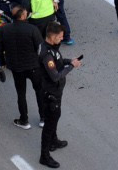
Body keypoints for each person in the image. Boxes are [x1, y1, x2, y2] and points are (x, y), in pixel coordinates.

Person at [36, 22, 79, 168]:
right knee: (50, 123)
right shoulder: (47, 54)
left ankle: (54, 140)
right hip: (50, 93)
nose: (61, 39)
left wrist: (69, 61)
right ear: (52, 36)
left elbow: (58, 61)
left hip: (55, 92)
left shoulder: (51, 48)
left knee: (55, 117)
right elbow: (55, 76)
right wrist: (71, 66)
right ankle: (44, 155)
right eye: (60, 37)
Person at [0, 4, 44, 130]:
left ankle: (24, 120)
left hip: (17, 68)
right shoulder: (32, 29)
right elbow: (40, 48)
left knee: (21, 94)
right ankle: (43, 118)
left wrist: (2, 63)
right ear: (23, 15)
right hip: (33, 66)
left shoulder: (5, 30)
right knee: (39, 91)